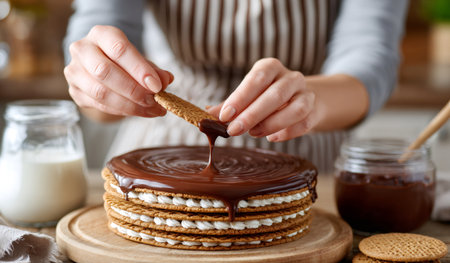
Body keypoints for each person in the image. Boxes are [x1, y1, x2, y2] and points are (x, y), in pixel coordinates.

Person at [63, 0, 409, 171]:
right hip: (158, 145)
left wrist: (312, 100)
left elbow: (370, 55)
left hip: (307, 147)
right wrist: (98, 81)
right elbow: (100, 25)